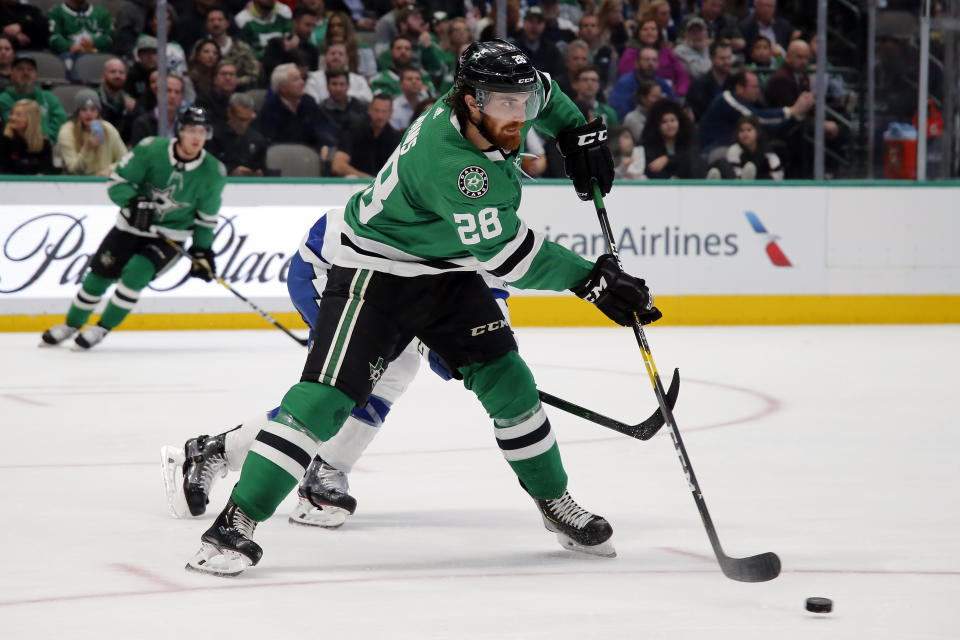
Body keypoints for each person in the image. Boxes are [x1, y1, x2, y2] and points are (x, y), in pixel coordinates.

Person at [183, 39, 659, 577]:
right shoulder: (453, 163)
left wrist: (574, 133)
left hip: (447, 273)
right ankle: (234, 522)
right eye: (506, 102)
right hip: (377, 274)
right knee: (326, 401)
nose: (520, 112)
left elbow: (547, 96)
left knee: (510, 382)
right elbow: (508, 255)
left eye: (521, 99)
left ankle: (554, 502)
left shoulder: (501, 102)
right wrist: (590, 281)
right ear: (470, 100)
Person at [41, 106, 226, 350]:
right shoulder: (151, 149)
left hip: (168, 236)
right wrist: (134, 201)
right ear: (180, 131)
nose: (197, 138)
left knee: (135, 275)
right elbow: (117, 183)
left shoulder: (213, 171)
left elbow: (205, 219)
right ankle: (71, 324)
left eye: (202, 132)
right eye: (192, 130)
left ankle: (102, 328)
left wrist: (202, 251)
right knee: (97, 278)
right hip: (129, 227)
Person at [698, 69, 813, 153]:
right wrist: (792, 110)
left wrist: (797, 115)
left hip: (740, 150)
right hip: (714, 150)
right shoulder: (725, 99)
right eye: (754, 87)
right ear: (739, 88)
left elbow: (769, 126)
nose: (758, 91)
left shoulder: (753, 103)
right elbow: (758, 118)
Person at [258, 62, 335, 154]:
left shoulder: (308, 101)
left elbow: (323, 127)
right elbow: (272, 142)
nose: (302, 82)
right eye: (296, 80)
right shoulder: (270, 109)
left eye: (301, 78)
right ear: (282, 88)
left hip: (313, 154)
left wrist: (324, 145)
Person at [55, 89, 127, 176]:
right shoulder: (66, 131)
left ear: (98, 112)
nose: (88, 113)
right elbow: (73, 170)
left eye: (93, 109)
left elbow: (125, 160)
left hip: (103, 181)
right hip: (75, 183)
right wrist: (87, 148)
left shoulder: (108, 129)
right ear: (77, 112)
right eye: (84, 110)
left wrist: (110, 170)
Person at [329, 93, 400, 178]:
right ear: (369, 109)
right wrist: (365, 178)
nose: (380, 116)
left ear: (391, 113)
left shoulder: (395, 138)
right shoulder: (352, 131)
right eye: (376, 111)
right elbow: (337, 165)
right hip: (355, 184)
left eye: (384, 112)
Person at [0, 53, 68, 141]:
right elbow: (13, 127)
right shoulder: (3, 100)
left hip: (48, 147)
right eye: (20, 69)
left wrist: (45, 141)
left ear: (36, 74)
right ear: (11, 73)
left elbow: (61, 122)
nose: (26, 72)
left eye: (30, 69)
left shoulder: (49, 98)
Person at [617, 18, 689, 96]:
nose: (649, 32)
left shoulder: (666, 51)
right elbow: (628, 79)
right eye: (645, 29)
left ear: (658, 33)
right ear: (638, 33)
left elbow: (682, 75)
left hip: (669, 92)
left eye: (653, 29)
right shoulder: (630, 53)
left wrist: (680, 92)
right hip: (641, 95)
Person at [47, 0, 114, 79]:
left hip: (97, 55)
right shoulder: (56, 12)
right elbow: (53, 38)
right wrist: (70, 46)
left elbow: (110, 37)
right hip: (69, 55)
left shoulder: (102, 13)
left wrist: (94, 42)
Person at [205, 91, 267, 176]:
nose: (244, 124)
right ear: (229, 112)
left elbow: (263, 168)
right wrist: (230, 171)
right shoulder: (213, 136)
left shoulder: (257, 139)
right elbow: (207, 166)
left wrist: (259, 173)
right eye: (241, 119)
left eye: (248, 119)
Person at [707, 114, 783, 180]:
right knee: (721, 163)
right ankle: (713, 183)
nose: (745, 134)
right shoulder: (735, 150)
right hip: (736, 184)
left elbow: (778, 173)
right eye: (741, 130)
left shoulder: (767, 150)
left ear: (758, 132)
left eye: (749, 130)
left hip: (759, 185)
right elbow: (733, 173)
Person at [608, 45, 674, 121]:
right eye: (646, 59)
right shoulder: (625, 83)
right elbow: (620, 113)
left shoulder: (662, 83)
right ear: (637, 63)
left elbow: (673, 105)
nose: (650, 63)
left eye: (654, 60)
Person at [204, 5, 261, 90]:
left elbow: (255, 74)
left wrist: (232, 81)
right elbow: (195, 73)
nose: (216, 23)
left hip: (240, 91)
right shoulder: (201, 47)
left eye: (220, 20)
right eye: (212, 20)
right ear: (206, 24)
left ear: (227, 23)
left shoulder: (242, 48)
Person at [640, 98, 698, 179]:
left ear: (679, 122)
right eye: (664, 122)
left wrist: (668, 159)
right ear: (657, 126)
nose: (669, 125)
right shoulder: (650, 144)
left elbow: (690, 159)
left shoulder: (688, 139)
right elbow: (651, 169)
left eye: (672, 120)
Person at [261, 5, 320, 82]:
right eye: (307, 25)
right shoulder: (276, 44)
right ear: (295, 23)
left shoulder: (312, 50)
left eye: (313, 26)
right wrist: (286, 51)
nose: (310, 30)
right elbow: (268, 73)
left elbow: (313, 78)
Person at [304, 42, 373, 104]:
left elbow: (369, 98)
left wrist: (345, 94)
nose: (336, 57)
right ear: (325, 57)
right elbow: (311, 101)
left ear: (347, 59)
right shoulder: (314, 78)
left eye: (341, 54)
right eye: (332, 53)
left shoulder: (358, 79)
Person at [0, 99, 55, 174]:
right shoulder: (4, 139)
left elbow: (47, 169)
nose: (12, 118)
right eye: (12, 113)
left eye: (18, 115)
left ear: (31, 119)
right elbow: (3, 169)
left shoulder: (43, 143)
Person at [130, 73, 186, 145]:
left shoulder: (186, 124)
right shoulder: (142, 124)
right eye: (168, 90)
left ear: (182, 98)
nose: (173, 96)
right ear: (158, 93)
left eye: (177, 92)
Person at [684, 40, 733, 121]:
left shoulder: (735, 82)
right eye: (722, 58)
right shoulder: (698, 84)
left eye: (729, 58)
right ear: (711, 58)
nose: (727, 62)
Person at [512, 7, 564, 80]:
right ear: (523, 23)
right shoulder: (513, 49)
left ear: (544, 25)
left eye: (538, 22)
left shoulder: (552, 50)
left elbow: (558, 76)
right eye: (531, 21)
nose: (534, 26)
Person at [97, 58, 140, 144]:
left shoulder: (130, 100)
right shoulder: (94, 97)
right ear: (103, 75)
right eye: (113, 72)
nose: (117, 76)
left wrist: (130, 114)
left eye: (121, 72)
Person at [673, 17, 711, 81]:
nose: (697, 34)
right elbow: (697, 72)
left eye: (700, 30)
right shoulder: (680, 51)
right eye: (693, 31)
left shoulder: (707, 49)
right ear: (687, 35)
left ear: (706, 34)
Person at [389, 66, 426, 131]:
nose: (414, 81)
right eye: (409, 79)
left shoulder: (428, 104)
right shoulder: (394, 107)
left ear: (422, 83)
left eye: (418, 79)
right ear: (401, 84)